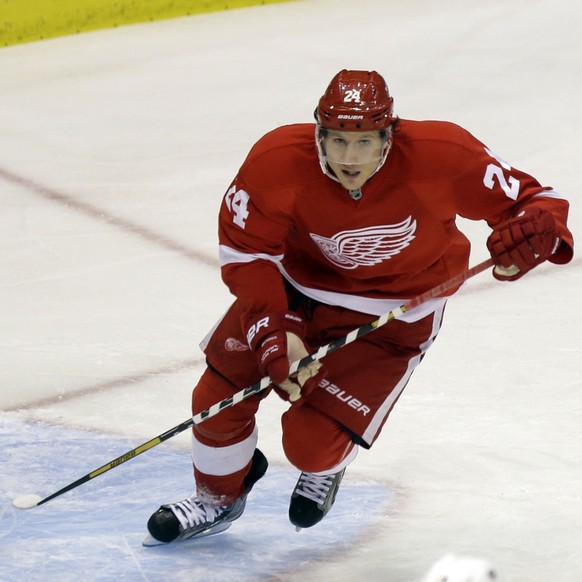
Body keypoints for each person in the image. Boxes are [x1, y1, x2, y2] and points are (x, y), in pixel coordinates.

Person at [143, 70, 574, 545]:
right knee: (217, 397)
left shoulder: (444, 155)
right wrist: (274, 330)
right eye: (338, 142)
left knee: (310, 447)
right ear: (319, 136)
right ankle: (217, 498)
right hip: (294, 290)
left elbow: (536, 200)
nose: (350, 159)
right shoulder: (277, 161)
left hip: (393, 315)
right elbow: (248, 256)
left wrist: (536, 233)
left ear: (389, 136)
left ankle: (327, 463)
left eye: (365, 142)